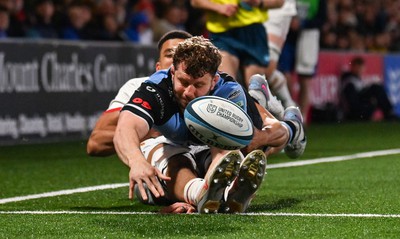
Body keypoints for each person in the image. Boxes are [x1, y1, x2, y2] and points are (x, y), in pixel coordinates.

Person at [278, 0, 327, 123]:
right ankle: (289, 107)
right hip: (287, 37)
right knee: (284, 73)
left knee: (305, 78)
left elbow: (322, 18)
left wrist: (303, 23)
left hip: (308, 36)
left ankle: (302, 119)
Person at [261, 0, 297, 109]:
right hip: (246, 9)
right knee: (249, 66)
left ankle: (287, 107)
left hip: (276, 10)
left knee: (266, 68)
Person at [340, 56, 397, 121]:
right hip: (353, 113)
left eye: (361, 67)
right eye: (358, 67)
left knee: (376, 89)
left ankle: (389, 112)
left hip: (359, 108)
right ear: (353, 67)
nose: (360, 69)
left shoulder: (356, 80)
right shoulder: (349, 82)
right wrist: (370, 103)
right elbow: (352, 103)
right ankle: (389, 113)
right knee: (376, 89)